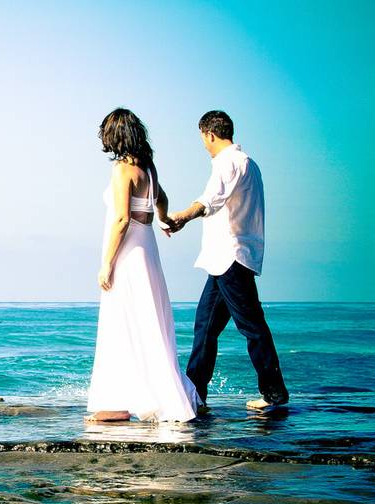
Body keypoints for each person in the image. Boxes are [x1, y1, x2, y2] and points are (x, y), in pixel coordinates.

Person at [165, 110, 289, 412]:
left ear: (209, 134)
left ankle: (274, 393)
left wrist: (180, 217)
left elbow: (210, 199)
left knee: (252, 327)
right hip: (226, 260)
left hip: (231, 258)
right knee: (205, 328)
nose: (203, 145)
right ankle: (196, 394)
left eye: (202, 139)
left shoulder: (229, 162)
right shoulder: (251, 165)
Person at [85, 108, 200, 423]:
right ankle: (142, 395)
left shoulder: (123, 170)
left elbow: (122, 218)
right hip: (147, 246)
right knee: (148, 320)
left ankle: (118, 403)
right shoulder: (148, 167)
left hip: (130, 249)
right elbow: (161, 198)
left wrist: (106, 264)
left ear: (114, 136)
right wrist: (165, 220)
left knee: (124, 321)